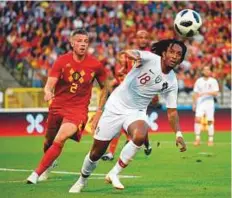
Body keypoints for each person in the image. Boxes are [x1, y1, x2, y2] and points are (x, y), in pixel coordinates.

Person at [69, 39, 187, 193]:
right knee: (96, 153)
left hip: (136, 112)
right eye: (172, 52)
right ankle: (82, 180)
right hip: (115, 107)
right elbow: (129, 53)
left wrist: (178, 133)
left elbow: (172, 111)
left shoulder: (172, 82)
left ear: (181, 60)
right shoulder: (150, 58)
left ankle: (114, 173)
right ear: (164, 53)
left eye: (179, 54)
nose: (174, 56)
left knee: (140, 134)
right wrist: (130, 55)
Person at [26, 28, 109, 184]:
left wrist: (99, 111)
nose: (82, 44)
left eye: (85, 41)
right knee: (48, 143)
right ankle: (48, 165)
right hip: (58, 106)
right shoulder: (62, 61)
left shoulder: (95, 65)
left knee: (61, 138)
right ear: (71, 43)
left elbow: (105, 87)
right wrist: (47, 92)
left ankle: (35, 174)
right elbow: (49, 85)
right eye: (79, 41)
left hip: (78, 110)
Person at [101, 30, 152, 161]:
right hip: (127, 96)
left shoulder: (151, 56)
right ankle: (111, 153)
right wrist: (120, 74)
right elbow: (121, 71)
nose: (143, 40)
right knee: (119, 122)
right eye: (140, 37)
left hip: (141, 97)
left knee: (140, 126)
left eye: (145, 37)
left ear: (148, 40)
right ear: (136, 39)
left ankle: (146, 144)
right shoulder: (130, 55)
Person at [192, 66, 219, 146]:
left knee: (210, 121)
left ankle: (210, 140)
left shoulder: (213, 81)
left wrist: (205, 93)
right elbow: (195, 93)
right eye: (205, 70)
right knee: (197, 120)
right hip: (200, 103)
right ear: (203, 72)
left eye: (208, 70)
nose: (206, 71)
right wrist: (194, 103)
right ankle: (197, 139)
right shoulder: (199, 81)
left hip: (209, 103)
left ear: (210, 72)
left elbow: (216, 93)